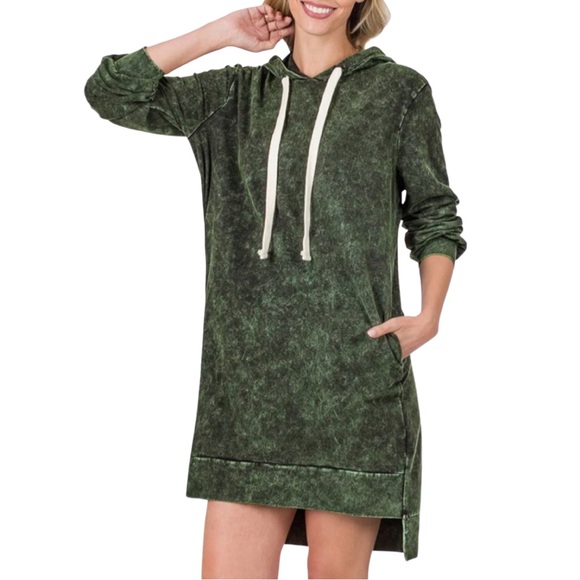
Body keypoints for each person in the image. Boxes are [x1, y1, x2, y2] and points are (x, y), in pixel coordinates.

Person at [84, 0, 467, 577]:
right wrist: (221, 32)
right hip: (244, 396)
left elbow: (434, 213)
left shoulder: (398, 93)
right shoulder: (232, 97)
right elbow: (110, 91)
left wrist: (429, 315)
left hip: (352, 387)